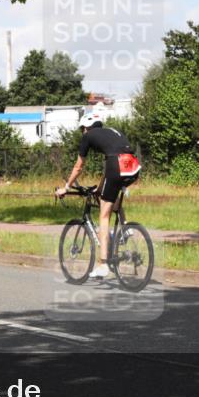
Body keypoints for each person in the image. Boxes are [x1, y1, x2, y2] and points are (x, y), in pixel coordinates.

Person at [56, 113, 141, 279]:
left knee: (103, 215)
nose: (82, 132)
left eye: (82, 129)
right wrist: (100, 188)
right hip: (132, 166)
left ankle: (103, 264)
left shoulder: (88, 136)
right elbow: (109, 166)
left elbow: (79, 166)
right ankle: (124, 230)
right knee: (112, 200)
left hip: (117, 165)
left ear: (86, 127)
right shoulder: (110, 132)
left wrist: (67, 187)